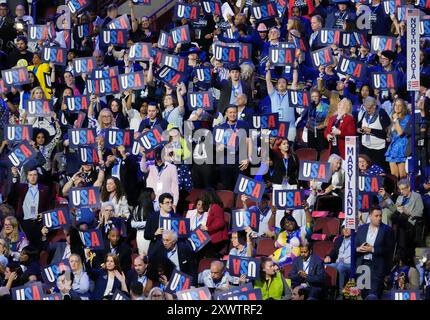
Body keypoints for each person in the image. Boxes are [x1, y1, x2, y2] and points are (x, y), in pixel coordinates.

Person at [355, 206, 395, 299]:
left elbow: (389, 249)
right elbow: (355, 245)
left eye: (380, 216)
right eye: (376, 216)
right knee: (363, 295)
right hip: (362, 265)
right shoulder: (362, 228)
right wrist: (358, 249)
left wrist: (372, 249)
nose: (379, 218)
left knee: (373, 295)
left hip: (377, 266)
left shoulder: (387, 230)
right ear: (370, 216)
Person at [8, 167, 52, 249]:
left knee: (39, 247)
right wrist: (14, 176)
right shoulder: (22, 187)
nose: (32, 177)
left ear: (37, 176)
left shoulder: (45, 189)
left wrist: (44, 214)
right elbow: (12, 194)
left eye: (35, 175)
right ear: (27, 177)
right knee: (27, 246)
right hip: (25, 223)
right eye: (30, 175)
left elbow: (49, 205)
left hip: (38, 223)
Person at [385, 179, 424, 259]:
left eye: (403, 189)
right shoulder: (400, 198)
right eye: (400, 189)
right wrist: (385, 196)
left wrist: (406, 212)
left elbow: (419, 213)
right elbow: (393, 209)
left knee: (399, 224)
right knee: (391, 215)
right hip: (400, 220)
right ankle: (396, 251)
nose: (401, 191)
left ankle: (399, 253)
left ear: (409, 188)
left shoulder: (417, 196)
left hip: (411, 221)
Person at [356, 96, 391, 171]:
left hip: (378, 150)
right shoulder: (365, 113)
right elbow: (358, 126)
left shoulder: (382, 113)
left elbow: (386, 133)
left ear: (374, 106)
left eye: (369, 107)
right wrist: (359, 130)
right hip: (366, 148)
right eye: (365, 107)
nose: (367, 109)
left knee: (378, 171)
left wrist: (371, 130)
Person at [385, 98, 411, 179]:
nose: (397, 107)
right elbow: (392, 133)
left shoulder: (407, 118)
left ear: (403, 107)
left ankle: (404, 191)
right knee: (394, 176)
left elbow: (400, 132)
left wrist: (396, 119)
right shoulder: (393, 117)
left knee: (402, 176)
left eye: (400, 105)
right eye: (396, 105)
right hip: (392, 149)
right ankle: (395, 191)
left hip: (402, 148)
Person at [324, 223, 352, 298]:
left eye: (348, 228)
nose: (345, 230)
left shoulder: (356, 239)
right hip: (337, 263)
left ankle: (341, 294)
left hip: (349, 265)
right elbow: (334, 251)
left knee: (341, 266)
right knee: (323, 265)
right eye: (343, 228)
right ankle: (324, 291)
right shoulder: (339, 239)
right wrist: (328, 256)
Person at [199, 190, 229, 258]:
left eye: (204, 197)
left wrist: (208, 228)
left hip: (218, 239)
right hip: (212, 238)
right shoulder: (211, 207)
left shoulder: (216, 207)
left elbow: (221, 223)